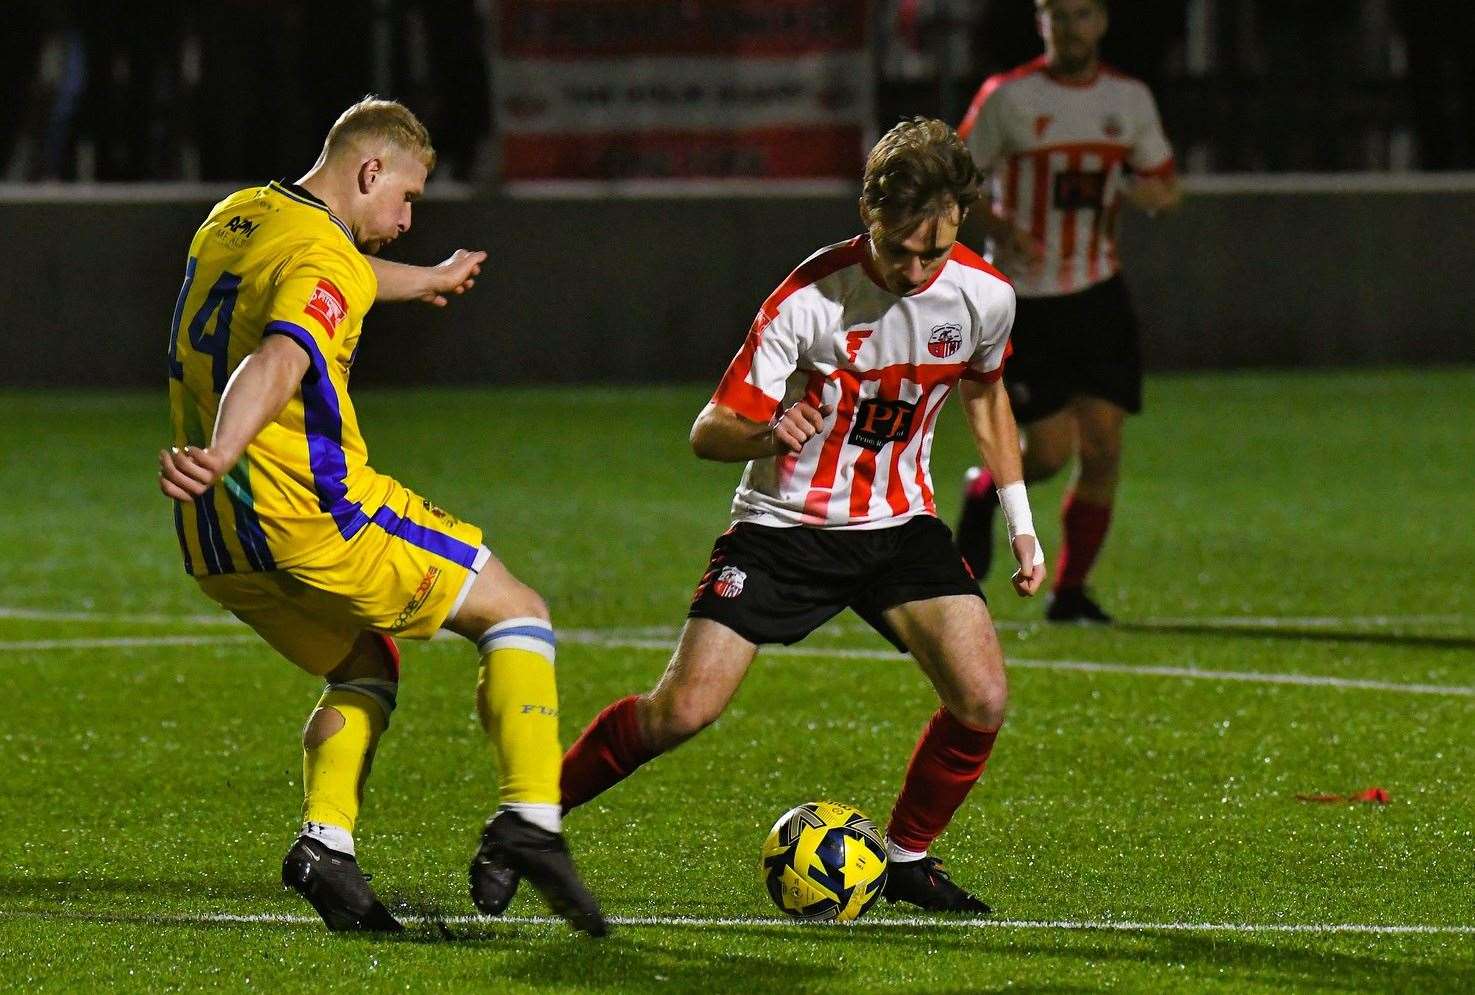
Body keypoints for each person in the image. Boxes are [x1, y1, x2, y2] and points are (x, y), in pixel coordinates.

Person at [476, 118, 1045, 918]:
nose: (914, 269)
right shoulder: (806, 300)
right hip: (782, 527)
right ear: (865, 214)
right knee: (681, 711)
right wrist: (766, 429)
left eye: (934, 251)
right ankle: (525, 819)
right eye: (897, 249)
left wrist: (1019, 519)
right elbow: (707, 431)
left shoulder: (985, 296)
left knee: (981, 697)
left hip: (898, 527)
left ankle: (908, 856)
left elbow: (984, 394)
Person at [156, 97, 606, 936]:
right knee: (518, 614)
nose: (405, 219)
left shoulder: (240, 216)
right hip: (313, 515)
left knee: (366, 664)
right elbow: (281, 352)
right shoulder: (326, 259)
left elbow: (332, 280)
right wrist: (224, 444)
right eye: (406, 198)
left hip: (216, 537)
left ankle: (324, 844)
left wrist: (427, 277)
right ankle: (531, 818)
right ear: (369, 171)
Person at [953, 0, 1181, 623]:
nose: (1072, 28)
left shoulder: (1128, 98)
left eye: (1083, 15)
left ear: (1104, 21)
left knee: (1104, 447)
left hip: (1099, 294)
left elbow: (1163, 184)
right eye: (1060, 16)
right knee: (1050, 453)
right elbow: (955, 182)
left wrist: (1148, 194)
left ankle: (1070, 591)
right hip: (1026, 302)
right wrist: (1000, 224)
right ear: (1041, 22)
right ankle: (980, 494)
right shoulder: (1008, 98)